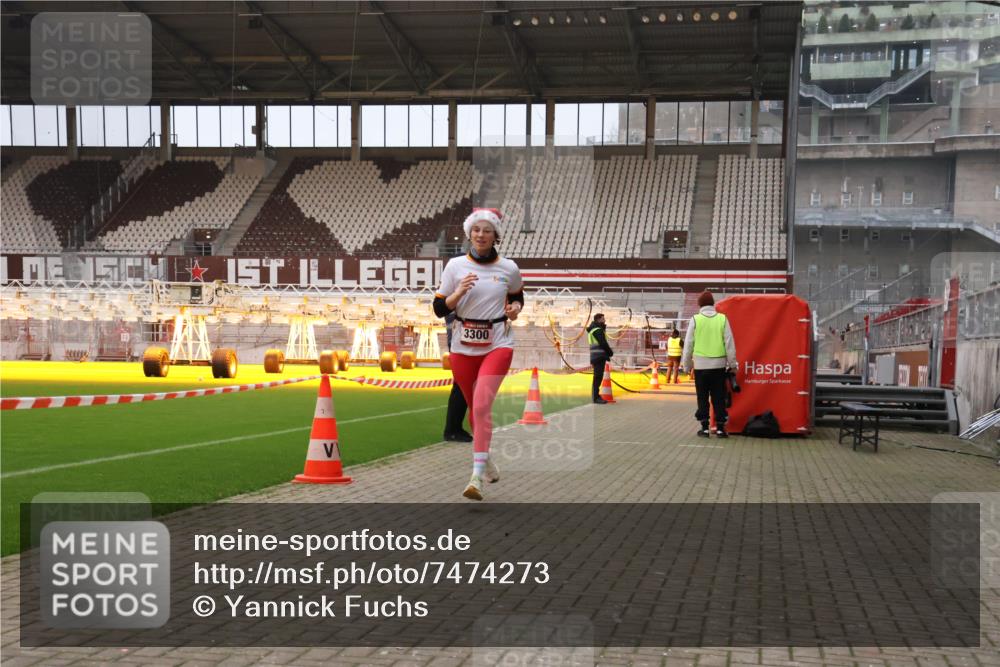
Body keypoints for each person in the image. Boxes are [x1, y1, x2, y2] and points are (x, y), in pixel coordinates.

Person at [434, 208, 523, 501]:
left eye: (487, 230)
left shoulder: (509, 268)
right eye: (476, 230)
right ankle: (485, 458)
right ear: (469, 233)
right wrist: (458, 292)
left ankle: (475, 478)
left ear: (496, 235)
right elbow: (438, 309)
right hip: (462, 347)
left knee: (482, 407)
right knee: (475, 409)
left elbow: (517, 297)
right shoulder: (455, 266)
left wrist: (515, 310)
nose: (481, 235)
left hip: (498, 343)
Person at [681, 290, 737, 438]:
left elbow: (688, 344)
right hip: (718, 366)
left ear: (700, 304)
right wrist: (732, 364)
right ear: (713, 304)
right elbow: (729, 343)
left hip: (700, 366)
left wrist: (686, 365)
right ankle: (720, 428)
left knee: (702, 397)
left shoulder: (695, 319)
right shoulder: (722, 319)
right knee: (718, 397)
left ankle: (704, 428)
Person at [442, 312, 472, 442]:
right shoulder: (454, 298)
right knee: (460, 386)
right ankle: (452, 430)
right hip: (459, 344)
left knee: (462, 385)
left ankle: (455, 428)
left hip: (461, 342)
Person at [587, 314, 614, 404]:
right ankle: (596, 398)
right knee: (598, 377)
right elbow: (603, 343)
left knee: (597, 377)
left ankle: (595, 397)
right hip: (599, 357)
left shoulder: (594, 329)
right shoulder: (597, 330)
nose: (604, 320)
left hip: (596, 356)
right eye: (603, 319)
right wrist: (610, 352)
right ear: (598, 320)